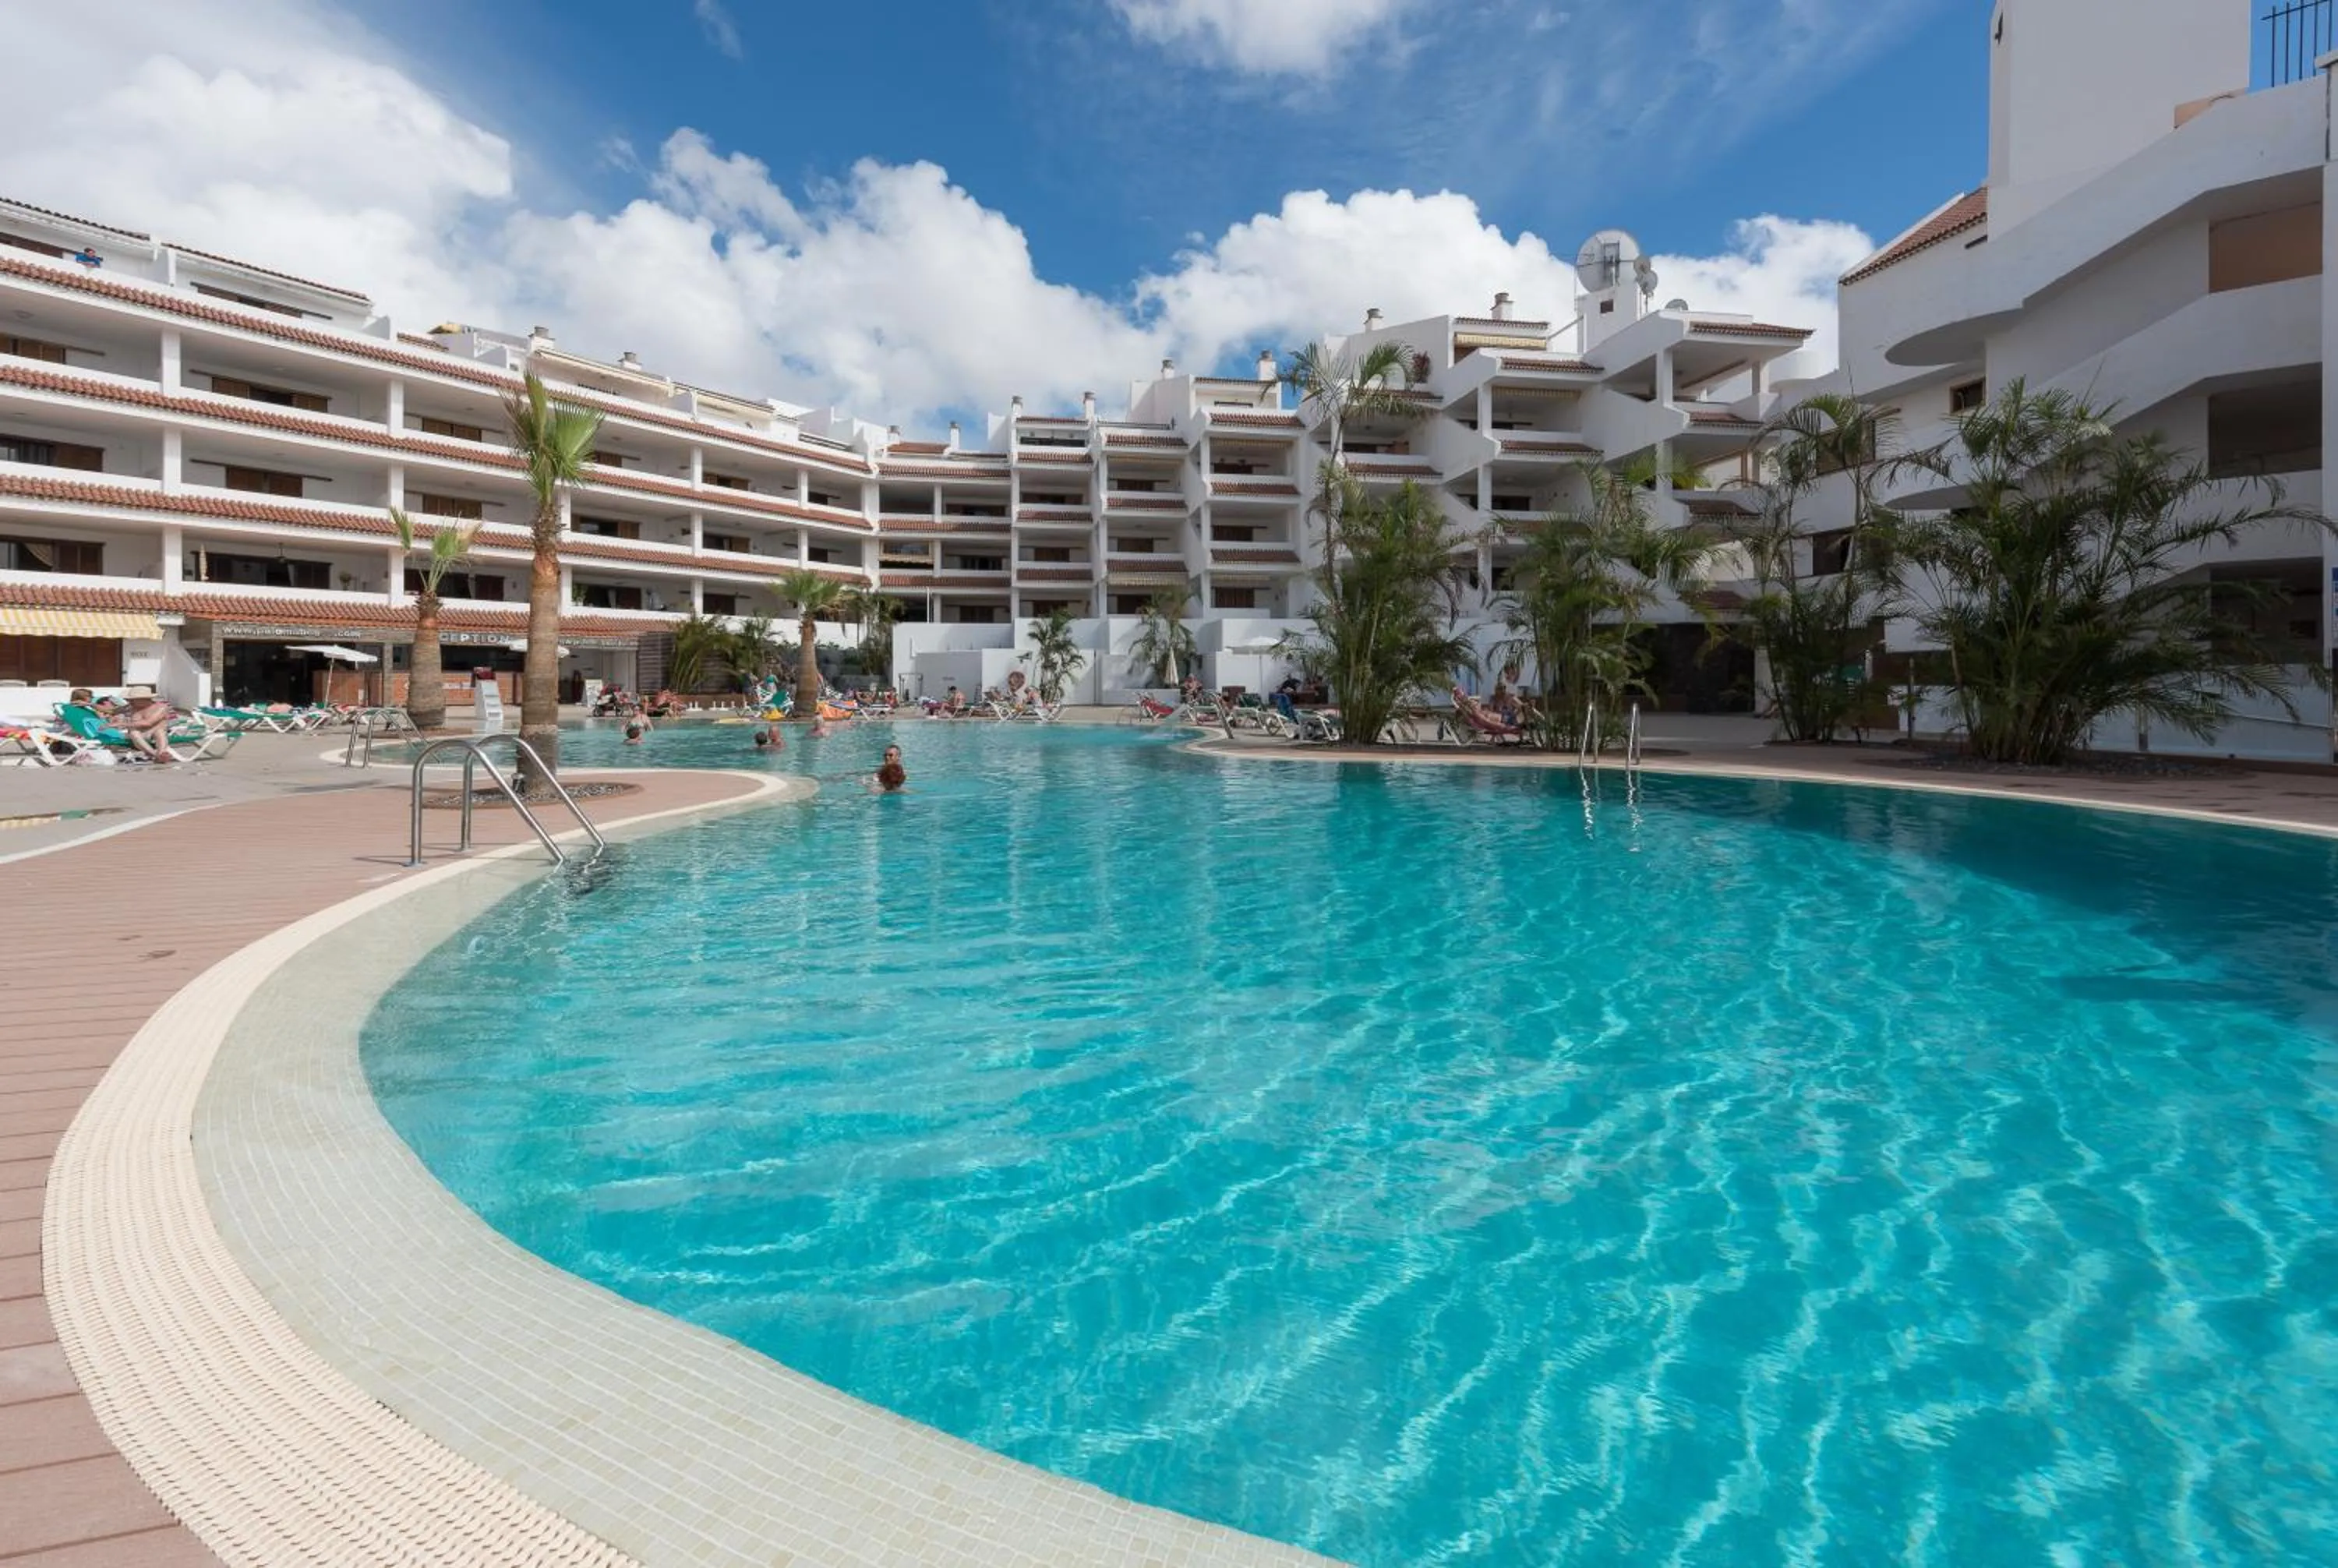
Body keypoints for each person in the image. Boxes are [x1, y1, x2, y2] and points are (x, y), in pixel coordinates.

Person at [116, 687, 177, 763]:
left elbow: (148, 723)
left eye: (132, 700)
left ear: (144, 699)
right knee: (134, 732)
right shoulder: (131, 708)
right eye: (129, 700)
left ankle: (161, 753)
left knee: (159, 732)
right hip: (138, 737)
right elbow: (112, 711)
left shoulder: (161, 708)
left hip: (157, 733)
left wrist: (121, 723)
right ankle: (156, 755)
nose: (130, 702)